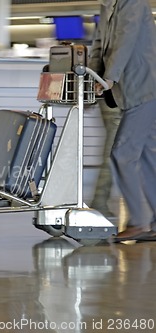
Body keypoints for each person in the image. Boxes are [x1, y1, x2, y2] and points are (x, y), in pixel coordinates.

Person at [89, 0, 156, 242]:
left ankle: (138, 223)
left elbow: (124, 43)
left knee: (122, 154)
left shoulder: (134, 3)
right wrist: (91, 75)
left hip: (144, 88)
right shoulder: (108, 6)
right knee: (148, 156)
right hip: (129, 91)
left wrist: (110, 78)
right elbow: (99, 44)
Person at [90, 99, 121, 218]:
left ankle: (100, 201)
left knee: (113, 152)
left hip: (111, 98)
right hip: (119, 99)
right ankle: (99, 201)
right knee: (112, 154)